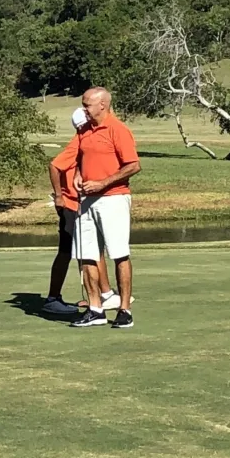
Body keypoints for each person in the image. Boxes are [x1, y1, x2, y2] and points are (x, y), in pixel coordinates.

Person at [69, 86, 140, 329]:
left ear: (102, 105)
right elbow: (80, 159)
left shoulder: (118, 130)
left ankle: (124, 310)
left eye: (87, 104)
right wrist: (78, 175)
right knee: (86, 255)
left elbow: (132, 165)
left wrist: (102, 183)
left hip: (113, 198)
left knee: (118, 253)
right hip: (86, 200)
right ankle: (95, 309)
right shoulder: (84, 131)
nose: (83, 109)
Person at [42, 107, 90, 317]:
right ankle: (53, 298)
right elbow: (54, 166)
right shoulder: (78, 142)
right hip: (70, 205)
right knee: (66, 251)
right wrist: (59, 196)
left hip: (83, 204)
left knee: (86, 252)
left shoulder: (87, 142)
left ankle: (95, 296)